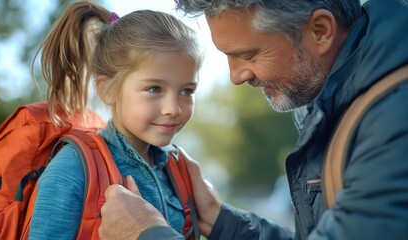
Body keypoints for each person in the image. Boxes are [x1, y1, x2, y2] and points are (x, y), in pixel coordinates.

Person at [98, 0, 408, 239]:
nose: (236, 76)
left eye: (249, 55)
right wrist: (223, 221)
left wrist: (147, 234)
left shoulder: (395, 118)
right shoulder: (350, 102)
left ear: (320, 31)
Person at [28, 1, 203, 239]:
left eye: (187, 91)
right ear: (107, 89)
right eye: (154, 88)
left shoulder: (176, 169)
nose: (173, 109)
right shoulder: (72, 169)